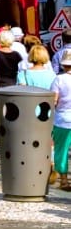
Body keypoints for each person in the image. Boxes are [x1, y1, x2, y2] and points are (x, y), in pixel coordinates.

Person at [53, 49, 71, 191]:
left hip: (62, 120)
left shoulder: (59, 79)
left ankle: (64, 180)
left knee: (62, 150)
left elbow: (54, 100)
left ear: (64, 65)